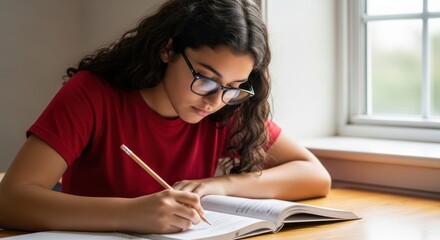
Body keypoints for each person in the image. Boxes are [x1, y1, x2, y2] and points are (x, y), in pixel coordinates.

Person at [0, 0, 331, 234]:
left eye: (233, 87)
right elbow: (10, 200)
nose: (215, 101)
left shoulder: (228, 108)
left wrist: (223, 184)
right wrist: (130, 214)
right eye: (204, 78)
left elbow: (315, 176)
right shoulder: (91, 94)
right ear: (168, 49)